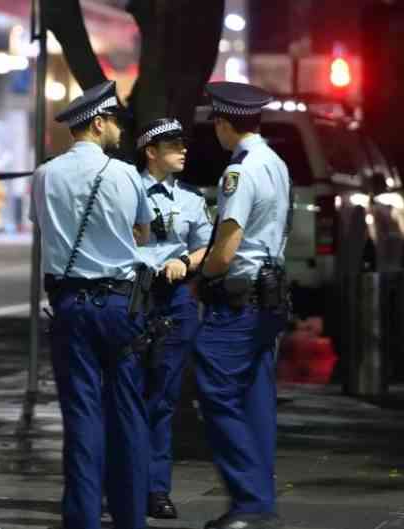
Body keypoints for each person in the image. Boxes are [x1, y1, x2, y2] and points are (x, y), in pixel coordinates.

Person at [30, 79, 154, 529]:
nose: (119, 128)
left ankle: (82, 517)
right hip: (120, 306)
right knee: (128, 412)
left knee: (81, 415)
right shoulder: (125, 175)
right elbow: (142, 235)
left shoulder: (45, 174)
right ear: (98, 123)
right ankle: (129, 516)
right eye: (115, 120)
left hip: (69, 306)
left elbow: (42, 227)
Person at [194, 81, 291, 529]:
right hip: (270, 296)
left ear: (224, 122)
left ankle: (250, 502)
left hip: (239, 301)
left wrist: (202, 277)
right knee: (255, 399)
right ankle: (260, 500)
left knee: (216, 391)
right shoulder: (275, 162)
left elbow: (227, 248)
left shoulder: (241, 171)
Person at [134, 118, 212, 519]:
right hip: (134, 297)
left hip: (175, 301)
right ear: (151, 151)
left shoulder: (192, 199)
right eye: (173, 145)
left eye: (183, 144)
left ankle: (156, 489)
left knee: (163, 399)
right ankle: (126, 484)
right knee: (128, 396)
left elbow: (206, 245)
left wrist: (184, 260)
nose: (183, 151)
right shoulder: (126, 190)